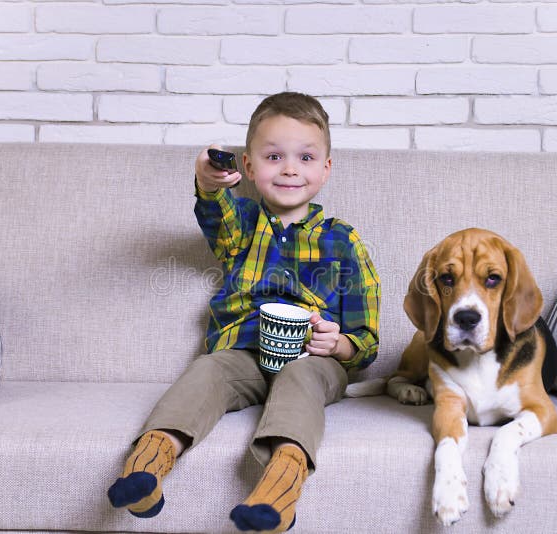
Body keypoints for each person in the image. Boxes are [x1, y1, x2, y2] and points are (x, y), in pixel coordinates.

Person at [107, 92, 381, 533]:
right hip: (245, 351)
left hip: (314, 359)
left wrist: (341, 343)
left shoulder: (343, 241)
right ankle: (147, 466)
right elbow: (215, 212)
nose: (290, 168)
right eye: (274, 156)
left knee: (301, 377)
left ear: (325, 168)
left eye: (306, 157)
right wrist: (209, 182)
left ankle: (279, 494)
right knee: (208, 369)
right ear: (250, 169)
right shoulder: (245, 226)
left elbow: (366, 339)